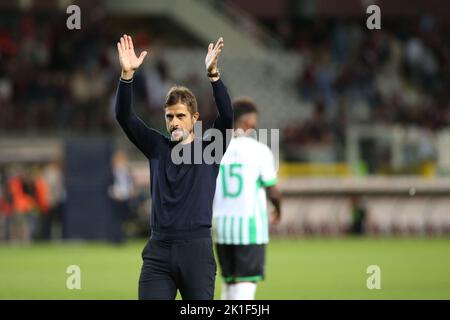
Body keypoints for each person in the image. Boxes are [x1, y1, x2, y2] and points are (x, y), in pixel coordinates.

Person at [115, 34, 233, 300]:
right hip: (158, 252)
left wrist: (213, 76)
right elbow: (124, 116)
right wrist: (126, 76)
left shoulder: (209, 149)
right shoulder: (157, 146)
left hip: (196, 252)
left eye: (181, 116)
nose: (175, 122)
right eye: (170, 117)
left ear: (195, 118)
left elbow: (226, 116)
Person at [213, 98, 282, 300]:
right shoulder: (259, 151)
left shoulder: (215, 150)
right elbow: (273, 190)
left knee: (229, 283)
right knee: (245, 285)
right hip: (249, 228)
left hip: (221, 226)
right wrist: (278, 210)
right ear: (249, 120)